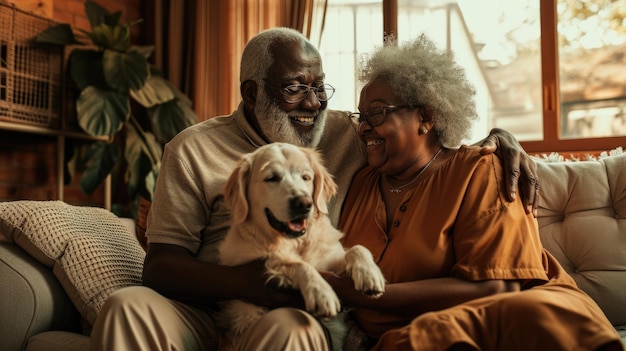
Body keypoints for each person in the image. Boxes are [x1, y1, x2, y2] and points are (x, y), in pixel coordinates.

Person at [90, 28, 540, 351]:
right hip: (207, 310)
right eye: (294, 89)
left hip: (295, 309)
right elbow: (162, 266)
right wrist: (254, 283)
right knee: (126, 306)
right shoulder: (192, 149)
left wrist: (501, 135)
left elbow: (425, 139)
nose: (313, 103)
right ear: (251, 93)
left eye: (319, 87)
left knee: (291, 329)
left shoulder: (351, 133)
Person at [328, 34, 623, 350]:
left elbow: (498, 289)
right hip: (411, 336)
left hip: (514, 319)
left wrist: (354, 292)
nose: (362, 128)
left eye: (377, 112)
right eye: (361, 116)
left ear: (426, 117)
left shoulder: (481, 170)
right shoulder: (360, 184)